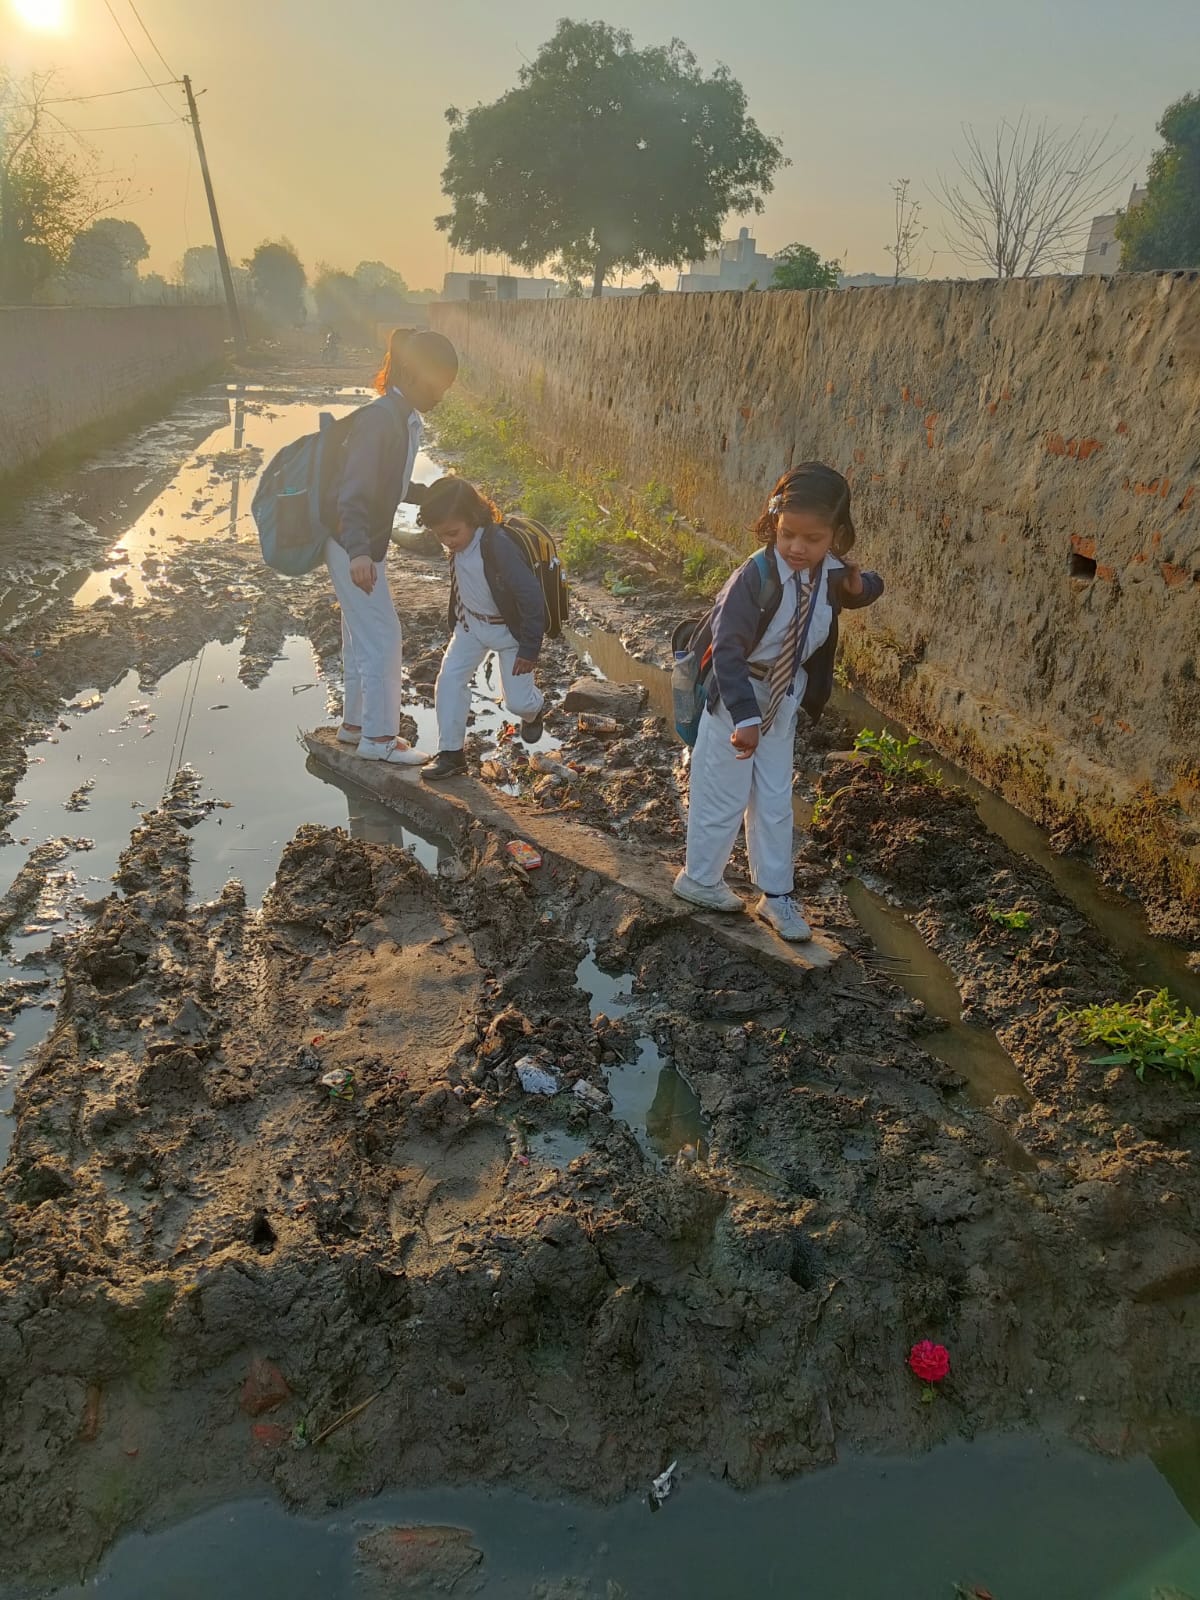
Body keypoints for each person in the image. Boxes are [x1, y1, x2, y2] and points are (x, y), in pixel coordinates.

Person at [674, 464, 884, 941]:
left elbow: (866, 586)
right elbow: (727, 649)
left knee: (772, 799)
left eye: (813, 538)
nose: (798, 548)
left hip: (784, 696)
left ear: (837, 534)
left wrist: (860, 588)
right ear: (774, 522)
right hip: (737, 693)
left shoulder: (829, 574)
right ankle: (700, 880)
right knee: (722, 791)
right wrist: (744, 717)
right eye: (788, 534)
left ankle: (777, 896)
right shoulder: (756, 576)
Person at [327, 328, 458, 766]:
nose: (440, 395)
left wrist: (428, 494)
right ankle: (380, 740)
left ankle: (355, 727)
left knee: (360, 636)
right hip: (352, 539)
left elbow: (388, 484)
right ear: (412, 374)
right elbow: (355, 491)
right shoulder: (382, 418)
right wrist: (360, 552)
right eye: (437, 385)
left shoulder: (401, 417)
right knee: (383, 637)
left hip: (355, 539)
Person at [415, 477, 547, 782]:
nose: (447, 541)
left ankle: (534, 710)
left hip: (509, 635)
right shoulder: (458, 539)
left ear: (473, 518)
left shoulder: (497, 545)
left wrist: (529, 647)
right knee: (448, 681)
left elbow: (530, 596)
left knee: (517, 702)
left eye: (452, 533)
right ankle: (451, 754)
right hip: (470, 627)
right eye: (440, 536)